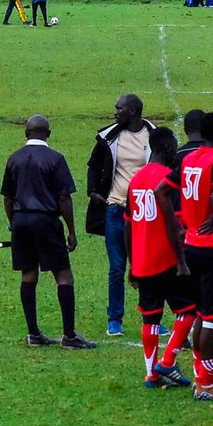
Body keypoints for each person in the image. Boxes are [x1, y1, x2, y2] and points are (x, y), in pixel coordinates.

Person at [0, 115, 95, 350]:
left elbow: (7, 198)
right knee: (63, 276)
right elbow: (64, 198)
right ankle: (69, 336)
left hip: (21, 220)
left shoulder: (14, 158)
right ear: (48, 134)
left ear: (26, 134)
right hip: (46, 221)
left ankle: (33, 333)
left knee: (28, 274)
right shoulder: (55, 158)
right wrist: (71, 231)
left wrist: (14, 224)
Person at [171, 109, 213, 400]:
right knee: (212, 317)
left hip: (191, 244)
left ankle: (201, 378)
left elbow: (164, 190)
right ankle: (207, 386)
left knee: (201, 312)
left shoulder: (190, 158)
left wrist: (181, 224)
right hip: (212, 248)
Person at [125, 127, 196, 389]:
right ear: (166, 149)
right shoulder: (168, 180)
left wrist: (132, 262)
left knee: (150, 317)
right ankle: (167, 360)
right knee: (188, 311)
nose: (176, 152)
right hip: (167, 258)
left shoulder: (136, 180)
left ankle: (150, 374)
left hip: (143, 260)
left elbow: (128, 224)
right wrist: (181, 260)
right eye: (174, 148)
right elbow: (175, 223)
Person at [87, 94, 155, 337]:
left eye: (120, 108)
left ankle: (151, 316)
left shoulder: (153, 135)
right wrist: (93, 191)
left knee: (146, 265)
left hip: (144, 211)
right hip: (116, 208)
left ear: (133, 111)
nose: (115, 112)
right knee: (117, 267)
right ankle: (114, 319)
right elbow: (93, 165)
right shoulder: (109, 136)